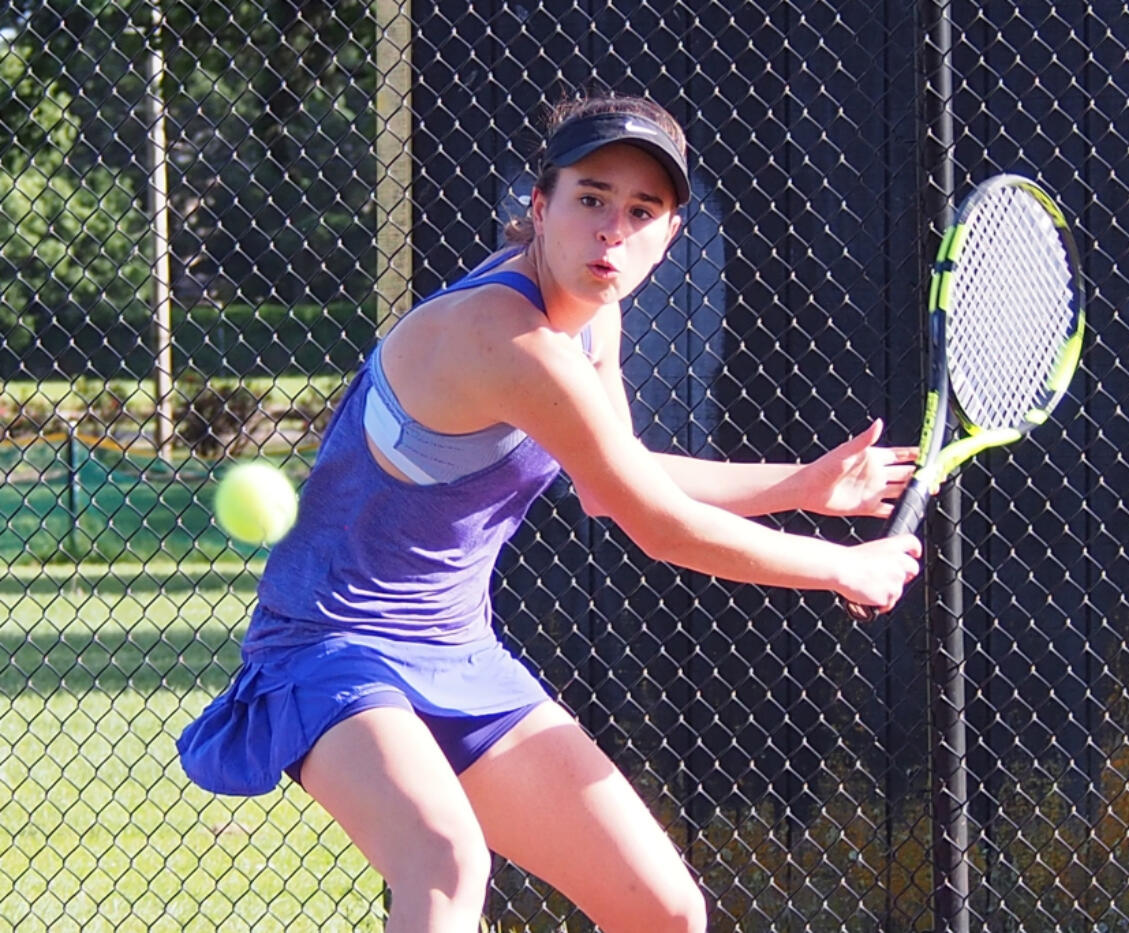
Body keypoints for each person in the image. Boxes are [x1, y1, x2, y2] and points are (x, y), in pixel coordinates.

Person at [177, 91, 922, 933]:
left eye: (642, 210)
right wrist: (840, 565)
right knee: (443, 855)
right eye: (591, 198)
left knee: (666, 911)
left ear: (669, 235)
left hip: (459, 653)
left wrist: (804, 484)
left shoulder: (592, 323)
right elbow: (657, 525)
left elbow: (614, 480)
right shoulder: (503, 335)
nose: (612, 229)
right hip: (332, 647)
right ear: (540, 206)